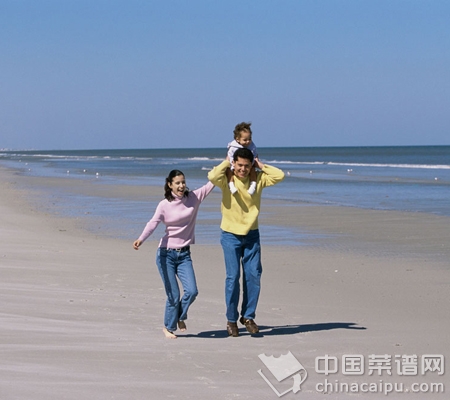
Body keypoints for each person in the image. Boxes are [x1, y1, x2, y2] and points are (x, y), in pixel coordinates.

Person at [208, 145, 285, 337]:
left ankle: (248, 317)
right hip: (230, 235)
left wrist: (260, 164)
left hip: (252, 235)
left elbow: (279, 175)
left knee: (253, 275)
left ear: (251, 166)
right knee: (232, 277)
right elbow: (212, 176)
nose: (243, 169)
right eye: (239, 165)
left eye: (246, 166)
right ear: (234, 164)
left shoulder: (258, 179)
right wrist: (227, 161)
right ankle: (231, 320)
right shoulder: (226, 179)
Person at [133, 170, 214, 339]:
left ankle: (180, 316)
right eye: (177, 183)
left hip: (184, 255)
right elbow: (153, 223)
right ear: (170, 185)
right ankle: (168, 327)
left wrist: (228, 164)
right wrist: (141, 239)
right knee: (173, 295)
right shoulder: (164, 205)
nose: (181, 185)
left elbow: (211, 183)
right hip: (166, 255)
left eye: (183, 182)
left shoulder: (194, 197)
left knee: (192, 291)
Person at [226, 122, 259, 195]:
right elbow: (230, 156)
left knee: (253, 170)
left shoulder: (251, 145)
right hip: (234, 165)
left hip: (249, 164)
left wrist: (255, 162)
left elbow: (255, 154)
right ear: (237, 139)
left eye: (249, 139)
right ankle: (231, 185)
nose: (248, 142)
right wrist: (232, 165)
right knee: (229, 171)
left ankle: (253, 185)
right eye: (245, 140)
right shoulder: (233, 146)